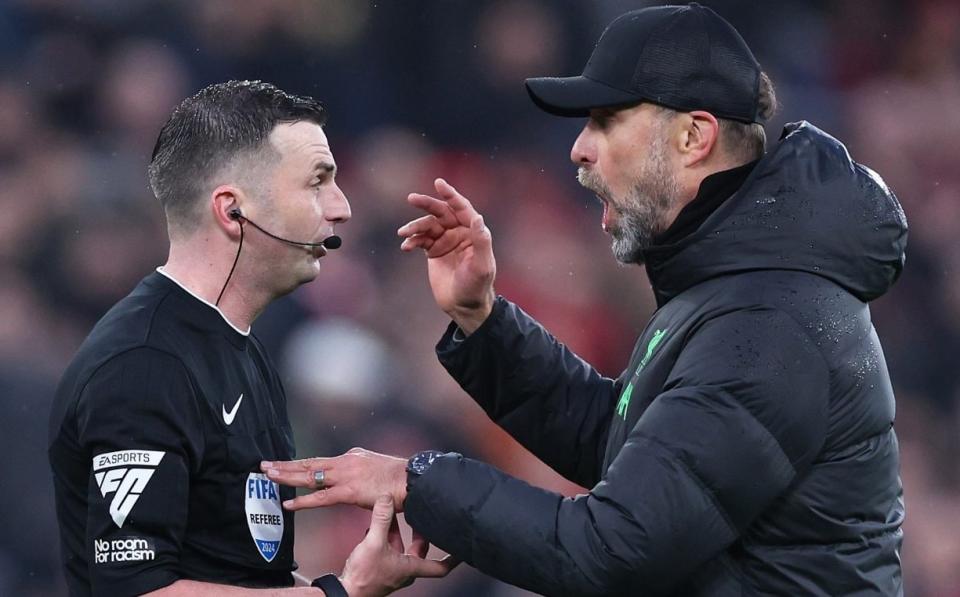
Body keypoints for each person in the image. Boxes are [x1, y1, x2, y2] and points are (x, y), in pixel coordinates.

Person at [263, 3, 910, 596]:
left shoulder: (769, 318)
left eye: (606, 120)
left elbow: (612, 548)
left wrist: (418, 480)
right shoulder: (739, 286)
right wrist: (482, 321)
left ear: (693, 138)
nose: (580, 147)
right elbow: (631, 448)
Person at [48, 80, 454, 597]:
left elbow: (241, 570)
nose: (341, 207)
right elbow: (138, 591)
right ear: (232, 210)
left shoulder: (244, 350)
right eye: (317, 182)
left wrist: (347, 582)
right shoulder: (143, 364)